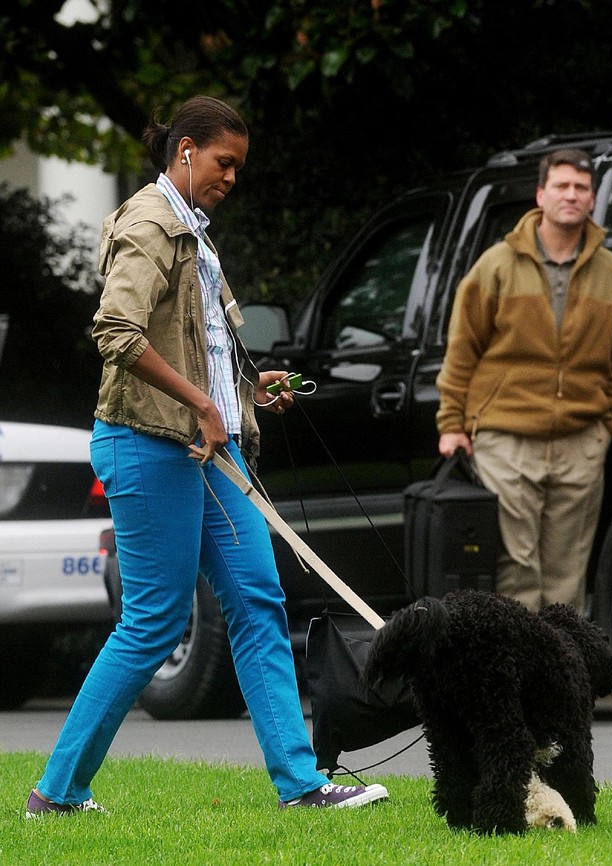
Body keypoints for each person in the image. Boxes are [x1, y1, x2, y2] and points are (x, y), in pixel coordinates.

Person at [26, 95, 388, 817]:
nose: (232, 178)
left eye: (238, 167)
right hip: (148, 445)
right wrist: (199, 403)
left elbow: (202, 350)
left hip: (209, 454)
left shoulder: (198, 236)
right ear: (185, 151)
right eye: (224, 163)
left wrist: (253, 388)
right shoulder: (149, 223)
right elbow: (117, 333)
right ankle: (57, 792)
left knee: (258, 600)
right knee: (155, 621)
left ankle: (302, 786)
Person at [436, 148, 612, 614]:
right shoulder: (497, 265)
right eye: (562, 186)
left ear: (592, 199)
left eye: (581, 188)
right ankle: (521, 679)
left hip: (581, 442)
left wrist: (606, 425)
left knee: (568, 575)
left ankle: (561, 682)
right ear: (541, 194)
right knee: (517, 571)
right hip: (506, 441)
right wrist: (452, 425)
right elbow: (461, 348)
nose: (572, 195)